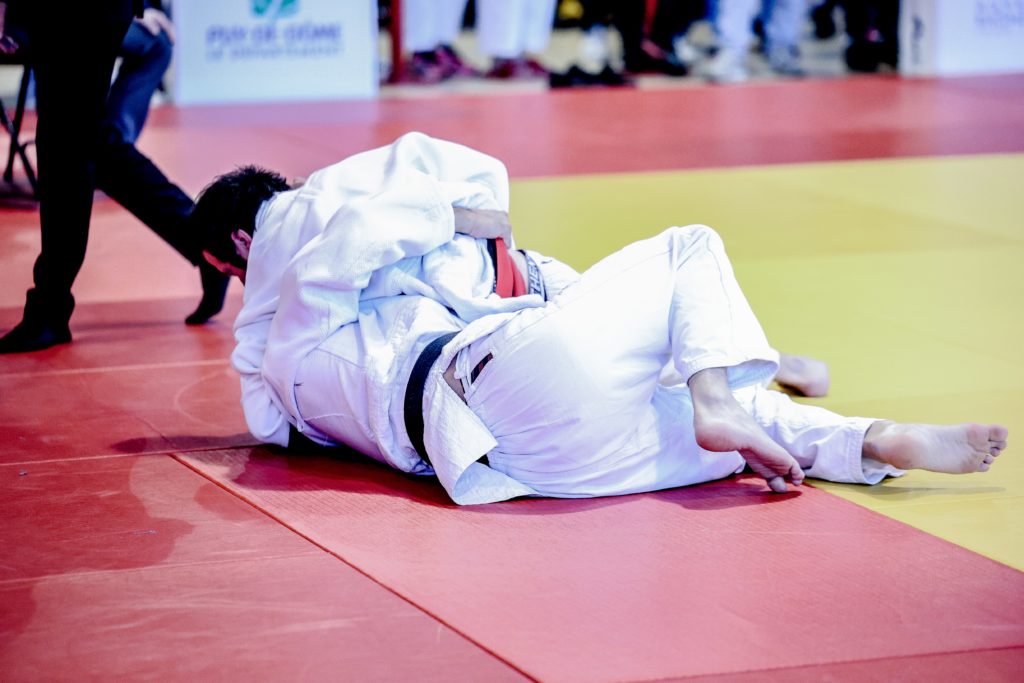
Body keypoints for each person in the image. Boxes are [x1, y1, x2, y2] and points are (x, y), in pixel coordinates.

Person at [195, 133, 1008, 505]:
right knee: (689, 249)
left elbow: (265, 414)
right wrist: (464, 220)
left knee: (736, 429)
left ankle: (875, 439)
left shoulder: (294, 366)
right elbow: (357, 233)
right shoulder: (307, 294)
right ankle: (725, 379)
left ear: (238, 248)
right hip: (492, 377)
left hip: (531, 468)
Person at [0, 0, 228, 355]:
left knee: (67, 147)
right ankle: (207, 243)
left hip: (73, 14)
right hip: (71, 14)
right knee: (85, 143)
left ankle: (49, 309)